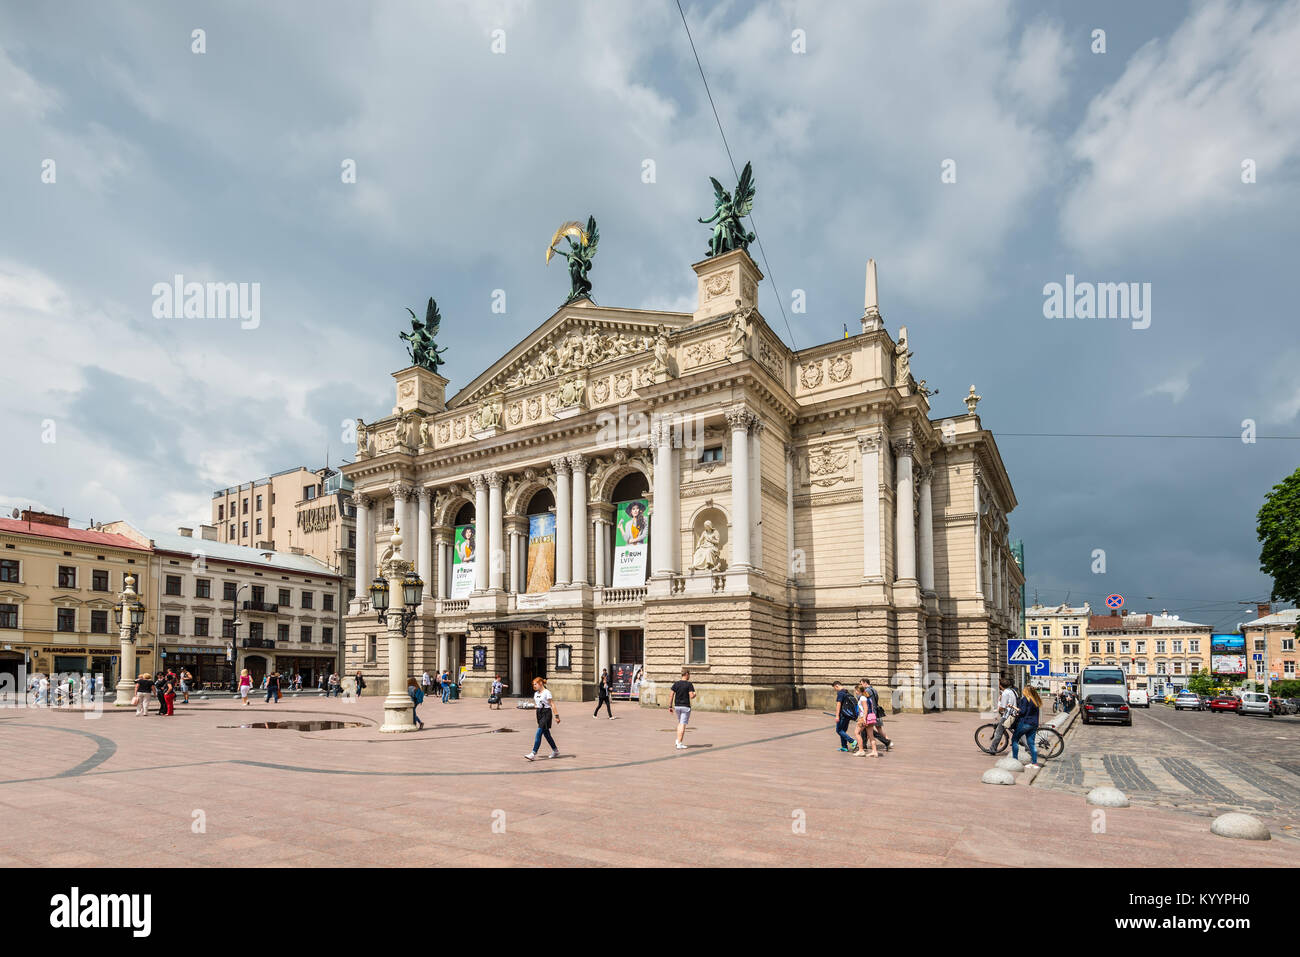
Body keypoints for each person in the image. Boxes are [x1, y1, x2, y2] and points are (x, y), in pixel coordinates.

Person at [525, 677, 560, 761]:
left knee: (539, 733)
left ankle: (533, 753)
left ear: (540, 683)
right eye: (533, 684)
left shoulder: (547, 692)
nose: (534, 686)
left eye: (535, 684)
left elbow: (552, 704)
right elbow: (538, 705)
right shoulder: (536, 694)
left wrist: (556, 716)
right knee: (546, 734)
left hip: (546, 714)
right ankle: (555, 751)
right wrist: (529, 706)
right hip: (539, 714)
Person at [1011, 684, 1042, 769]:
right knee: (1031, 743)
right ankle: (1034, 763)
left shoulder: (1025, 699)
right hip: (1034, 724)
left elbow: (1022, 712)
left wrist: (1013, 707)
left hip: (1025, 723)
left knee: (1015, 739)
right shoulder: (1036, 700)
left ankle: (1015, 760)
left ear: (1026, 692)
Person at [861, 676, 893, 751]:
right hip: (875, 712)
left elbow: (866, 702)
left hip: (871, 713)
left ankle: (887, 741)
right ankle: (864, 745)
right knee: (872, 729)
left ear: (865, 683)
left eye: (862, 684)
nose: (861, 686)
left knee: (870, 730)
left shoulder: (867, 691)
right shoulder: (874, 690)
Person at [668, 669, 695, 750]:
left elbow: (671, 695)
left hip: (677, 706)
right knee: (682, 724)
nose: (689, 676)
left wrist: (670, 706)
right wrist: (695, 694)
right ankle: (679, 743)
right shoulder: (689, 684)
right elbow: (691, 696)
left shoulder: (676, 684)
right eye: (689, 674)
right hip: (685, 707)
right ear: (686, 674)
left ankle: (678, 740)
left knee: (680, 723)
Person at [831, 681, 859, 752]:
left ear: (836, 686)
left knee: (839, 730)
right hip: (847, 715)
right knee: (843, 731)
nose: (835, 690)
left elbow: (838, 704)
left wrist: (837, 716)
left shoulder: (840, 693)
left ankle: (852, 741)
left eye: (835, 688)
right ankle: (844, 747)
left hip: (842, 715)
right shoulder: (847, 692)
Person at [993, 676, 1018, 752]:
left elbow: (1003, 707)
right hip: (1014, 713)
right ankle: (1025, 745)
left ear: (1000, 685)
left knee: (998, 732)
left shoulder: (1005, 693)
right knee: (1017, 731)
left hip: (1007, 716)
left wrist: (997, 710)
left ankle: (992, 749)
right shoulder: (1012, 691)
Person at [854, 682, 879, 758]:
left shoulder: (862, 698)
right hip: (871, 717)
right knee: (871, 735)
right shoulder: (868, 697)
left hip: (864, 718)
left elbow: (865, 709)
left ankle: (861, 750)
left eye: (856, 690)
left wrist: (864, 718)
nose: (855, 692)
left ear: (859, 691)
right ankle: (874, 752)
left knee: (856, 733)